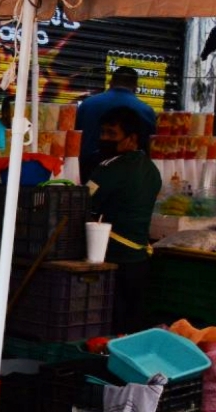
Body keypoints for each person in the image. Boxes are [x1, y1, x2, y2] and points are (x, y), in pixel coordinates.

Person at [87, 106, 162, 335]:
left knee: (112, 327)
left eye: (111, 134)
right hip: (140, 260)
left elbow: (87, 205)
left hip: (113, 258)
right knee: (132, 328)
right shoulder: (151, 169)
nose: (104, 139)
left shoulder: (109, 168)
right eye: (102, 133)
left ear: (131, 139)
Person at [75, 66, 156, 181]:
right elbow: (149, 149)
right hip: (128, 177)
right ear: (135, 87)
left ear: (110, 83)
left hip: (84, 173)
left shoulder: (87, 104)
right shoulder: (146, 111)